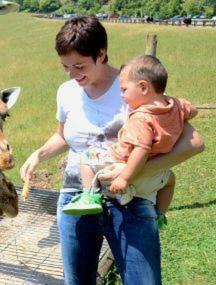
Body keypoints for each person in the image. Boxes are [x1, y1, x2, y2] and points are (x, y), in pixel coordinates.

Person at [19, 16, 204, 285]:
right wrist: (38, 154)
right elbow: (64, 136)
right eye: (65, 67)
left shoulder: (132, 88)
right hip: (77, 196)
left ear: (101, 53)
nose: (72, 74)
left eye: (79, 66)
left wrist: (131, 174)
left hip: (131, 200)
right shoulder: (67, 92)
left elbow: (194, 142)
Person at [62, 55, 198, 229]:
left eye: (124, 89)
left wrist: (125, 177)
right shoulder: (176, 106)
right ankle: (160, 215)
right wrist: (179, 114)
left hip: (122, 167)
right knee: (171, 180)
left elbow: (141, 149)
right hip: (155, 175)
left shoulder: (140, 118)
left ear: (143, 87)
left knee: (87, 156)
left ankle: (90, 195)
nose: (121, 95)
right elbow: (192, 110)